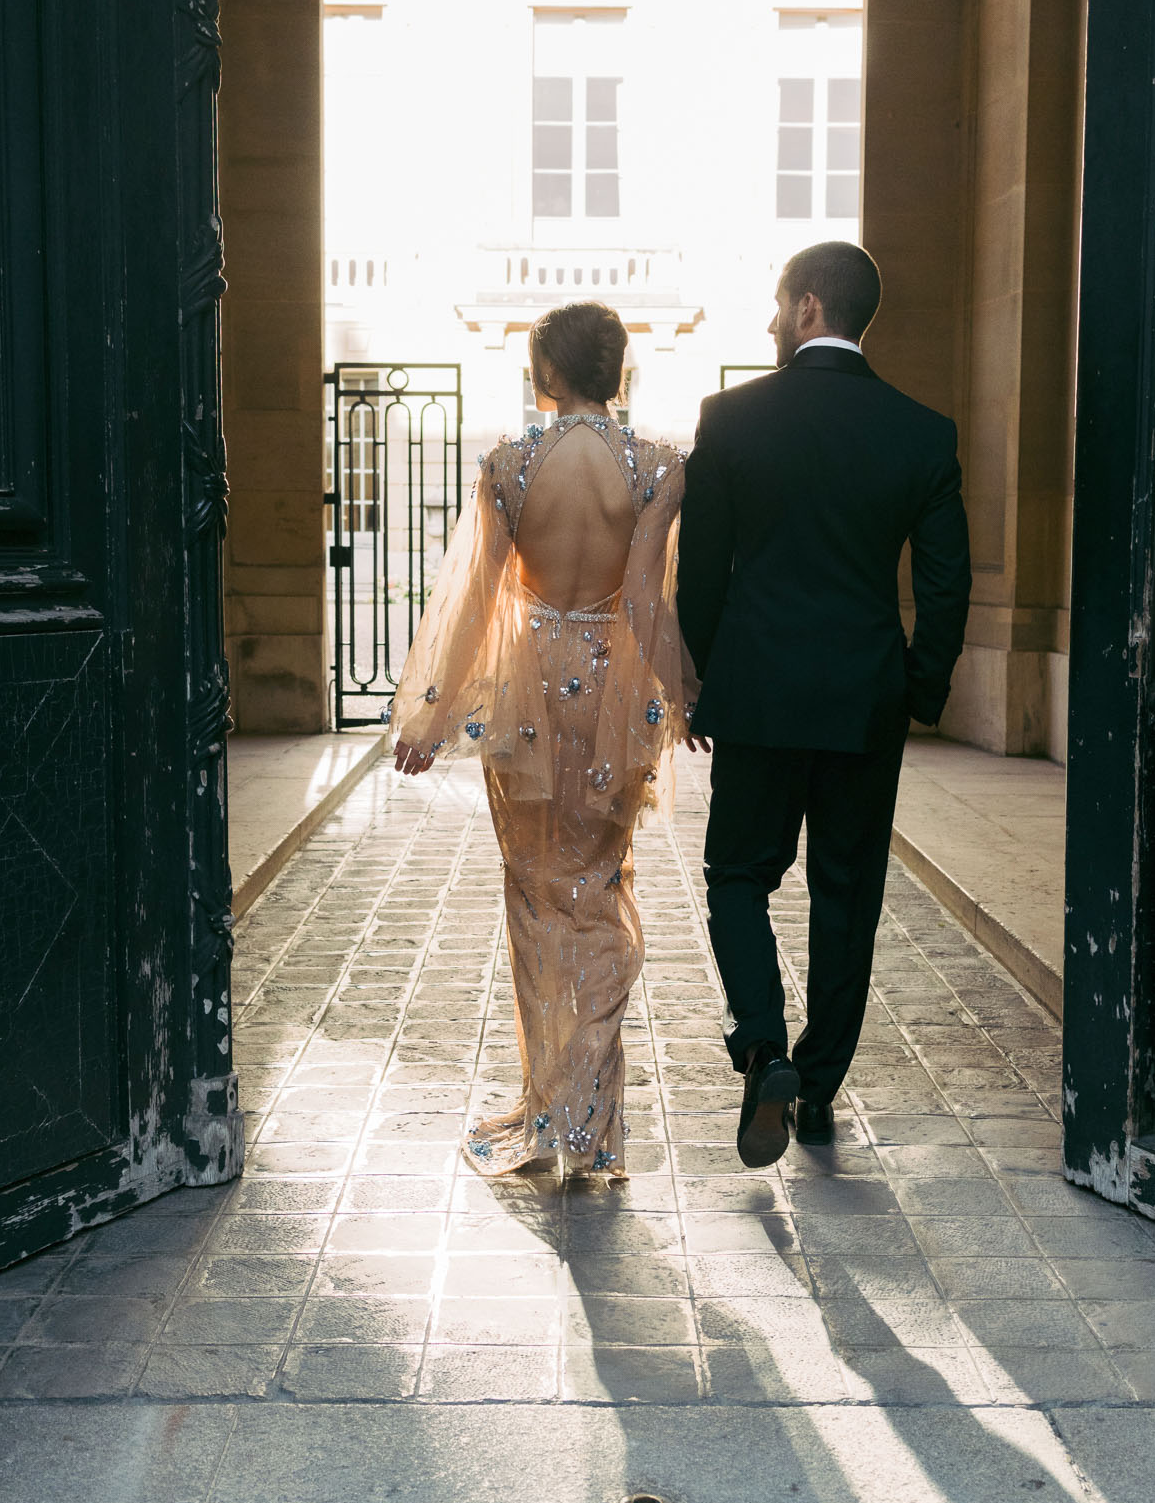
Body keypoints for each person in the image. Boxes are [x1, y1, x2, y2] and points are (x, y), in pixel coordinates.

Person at [677, 241, 971, 1168]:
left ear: (808, 307)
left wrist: (705, 681)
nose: (769, 321)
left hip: (759, 692)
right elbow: (946, 581)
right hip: (862, 700)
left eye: (775, 304)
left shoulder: (730, 419)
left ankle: (761, 1047)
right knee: (848, 896)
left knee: (736, 878)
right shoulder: (921, 432)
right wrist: (919, 690)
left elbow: (700, 575)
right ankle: (816, 1085)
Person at [390, 301, 699, 1181]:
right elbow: (645, 600)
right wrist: (680, 695)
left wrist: (430, 713)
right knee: (598, 889)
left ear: (546, 375)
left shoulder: (507, 465)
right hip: (612, 685)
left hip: (527, 695)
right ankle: (587, 1121)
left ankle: (550, 1110)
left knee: (534, 897)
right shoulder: (656, 468)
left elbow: (478, 596)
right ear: (617, 373)